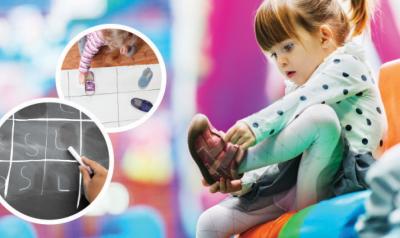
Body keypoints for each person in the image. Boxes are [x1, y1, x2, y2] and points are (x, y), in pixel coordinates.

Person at [188, 0, 387, 237]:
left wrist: (255, 127)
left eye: (287, 47)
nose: (280, 61)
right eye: (273, 53)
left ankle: (235, 161)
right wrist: (244, 182)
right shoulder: (297, 88)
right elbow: (283, 150)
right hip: (297, 181)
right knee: (209, 223)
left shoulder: (349, 65)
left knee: (320, 118)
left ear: (324, 37)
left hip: (342, 182)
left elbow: (304, 99)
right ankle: (235, 167)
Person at [78, 29, 138, 94]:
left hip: (113, 37)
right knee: (83, 53)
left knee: (131, 51)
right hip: (90, 35)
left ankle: (124, 42)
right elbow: (87, 52)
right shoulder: (97, 36)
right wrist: (82, 72)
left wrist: (125, 45)